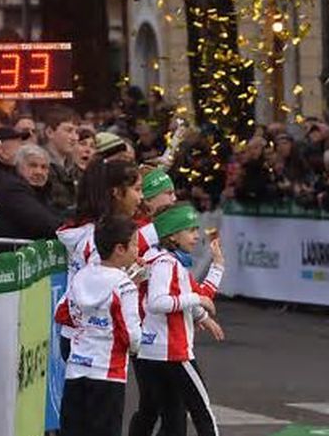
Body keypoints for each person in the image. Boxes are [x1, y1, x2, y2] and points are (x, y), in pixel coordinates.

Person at [132, 203, 224, 436]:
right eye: (190, 229)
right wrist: (197, 301)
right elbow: (158, 301)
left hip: (153, 351)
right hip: (174, 350)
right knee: (202, 412)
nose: (197, 235)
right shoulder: (167, 263)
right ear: (172, 234)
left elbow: (199, 295)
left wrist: (217, 267)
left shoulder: (160, 259)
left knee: (172, 418)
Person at [54, 214, 142, 436]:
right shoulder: (124, 286)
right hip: (108, 372)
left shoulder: (81, 276)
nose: (138, 250)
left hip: (76, 369)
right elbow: (132, 336)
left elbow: (61, 312)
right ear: (119, 249)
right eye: (134, 244)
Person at [56, 161, 143, 361]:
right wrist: (129, 280)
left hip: (88, 338)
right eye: (137, 189)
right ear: (116, 192)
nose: (141, 197)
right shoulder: (97, 237)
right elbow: (96, 290)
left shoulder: (99, 232)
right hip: (91, 342)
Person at [0, 144, 62, 242]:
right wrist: (71, 231)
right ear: (18, 166)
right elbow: (43, 223)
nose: (39, 172)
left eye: (44, 167)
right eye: (33, 165)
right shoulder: (11, 188)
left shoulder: (43, 192)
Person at [41, 105, 80, 214]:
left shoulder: (74, 167)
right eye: (69, 131)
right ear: (49, 132)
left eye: (76, 132)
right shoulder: (38, 165)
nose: (75, 137)